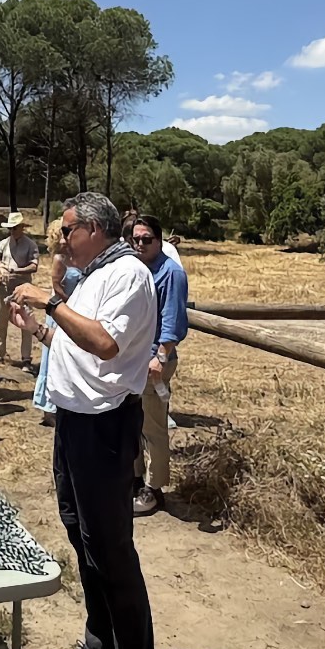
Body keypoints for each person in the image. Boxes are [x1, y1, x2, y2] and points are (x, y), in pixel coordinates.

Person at [8, 191, 159, 649]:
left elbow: (105, 344)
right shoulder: (95, 275)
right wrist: (38, 327)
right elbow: (76, 345)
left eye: (67, 230)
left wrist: (50, 301)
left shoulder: (128, 275)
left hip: (105, 429)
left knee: (112, 553)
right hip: (75, 423)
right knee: (83, 540)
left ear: (95, 229)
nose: (60, 239)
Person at [124, 215, 187, 516]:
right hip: (133, 359)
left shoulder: (171, 273)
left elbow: (172, 321)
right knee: (133, 423)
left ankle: (154, 488)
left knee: (153, 426)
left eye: (146, 239)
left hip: (154, 360)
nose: (140, 244)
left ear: (159, 241)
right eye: (135, 239)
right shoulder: (137, 269)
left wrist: (160, 358)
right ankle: (136, 479)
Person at [31, 218, 84, 426]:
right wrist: (68, 305)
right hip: (61, 310)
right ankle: (48, 407)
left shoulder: (78, 258)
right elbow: (57, 286)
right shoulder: (60, 259)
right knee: (52, 357)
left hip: (75, 313)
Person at [0, 212, 40, 368]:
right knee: (1, 322)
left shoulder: (31, 245)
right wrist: (0, 267)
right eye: (10, 228)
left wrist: (15, 271)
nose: (12, 231)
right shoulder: (3, 243)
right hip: (4, 287)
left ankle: (26, 359)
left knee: (26, 323)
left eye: (14, 228)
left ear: (21, 227)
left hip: (24, 290)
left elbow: (34, 266)